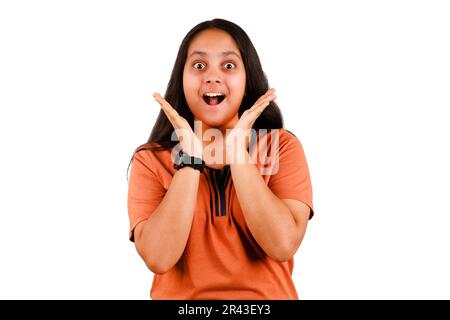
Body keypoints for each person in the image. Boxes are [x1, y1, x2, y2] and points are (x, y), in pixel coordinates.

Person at [127, 18, 314, 300]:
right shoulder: (151, 159)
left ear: (247, 79)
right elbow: (158, 258)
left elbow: (283, 244)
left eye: (228, 66)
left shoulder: (281, 147)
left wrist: (238, 153)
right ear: (182, 79)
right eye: (199, 65)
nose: (212, 77)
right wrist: (190, 160)